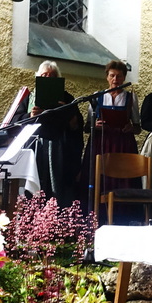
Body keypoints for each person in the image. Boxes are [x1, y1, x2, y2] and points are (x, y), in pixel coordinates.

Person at [29, 60, 84, 206]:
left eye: (52, 76)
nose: (48, 78)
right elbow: (16, 120)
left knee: (59, 190)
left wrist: (66, 112)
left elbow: (76, 125)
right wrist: (31, 116)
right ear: (37, 77)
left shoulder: (67, 98)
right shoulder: (29, 97)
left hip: (60, 150)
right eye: (44, 75)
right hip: (35, 148)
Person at [87, 59, 141, 197]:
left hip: (123, 144)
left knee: (122, 178)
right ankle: (98, 208)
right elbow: (87, 127)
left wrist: (131, 127)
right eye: (112, 75)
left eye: (119, 76)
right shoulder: (97, 97)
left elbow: (137, 128)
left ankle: (122, 208)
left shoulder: (130, 98)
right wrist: (94, 125)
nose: (115, 79)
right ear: (107, 77)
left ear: (124, 78)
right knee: (99, 178)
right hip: (101, 143)